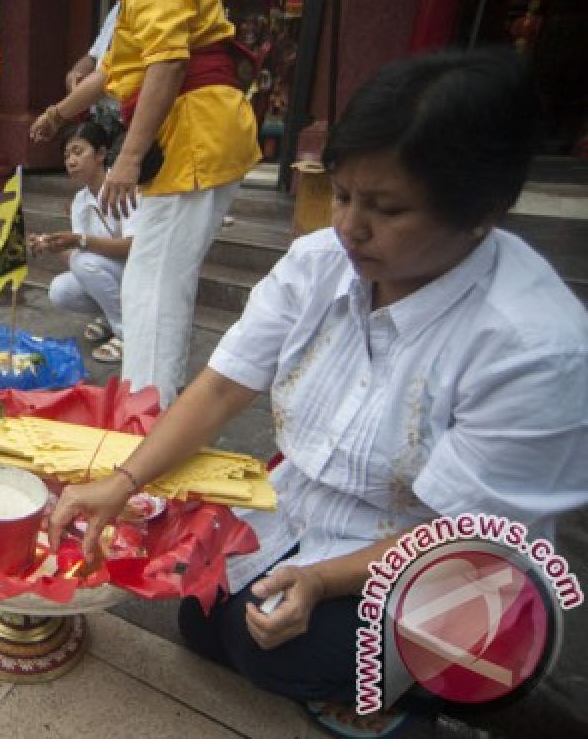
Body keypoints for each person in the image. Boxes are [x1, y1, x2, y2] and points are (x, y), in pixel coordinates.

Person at [49, 50, 588, 737]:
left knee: (281, 652)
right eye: (342, 195)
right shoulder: (319, 265)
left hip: (451, 568)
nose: (349, 226)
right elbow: (219, 388)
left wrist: (324, 581)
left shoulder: (533, 348)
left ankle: (439, 700)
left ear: (483, 210)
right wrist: (120, 481)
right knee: (201, 619)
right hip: (309, 510)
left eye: (386, 208)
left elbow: (468, 535)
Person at [31, 0, 261, 408]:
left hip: (194, 134)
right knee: (159, 278)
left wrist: (129, 157)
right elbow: (106, 77)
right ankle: (156, 397)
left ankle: (144, 410)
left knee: (151, 282)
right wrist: (57, 114)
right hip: (198, 133)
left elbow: (169, 61)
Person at [30, 122, 133, 364]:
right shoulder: (80, 200)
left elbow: (134, 246)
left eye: (78, 152)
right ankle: (109, 317)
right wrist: (54, 246)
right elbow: (78, 256)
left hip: (138, 273)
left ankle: (128, 333)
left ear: (100, 154)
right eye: (66, 156)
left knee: (85, 259)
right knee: (59, 290)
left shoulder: (124, 188)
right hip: (112, 273)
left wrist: (79, 241)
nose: (70, 161)